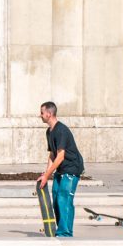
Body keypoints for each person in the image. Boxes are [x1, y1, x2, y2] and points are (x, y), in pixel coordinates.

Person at [36, 100, 82, 238]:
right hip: (61, 170)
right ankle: (62, 229)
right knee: (56, 198)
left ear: (49, 114)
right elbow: (52, 154)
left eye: (42, 112)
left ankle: (65, 232)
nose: (40, 115)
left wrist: (47, 175)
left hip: (72, 168)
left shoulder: (61, 130)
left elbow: (61, 156)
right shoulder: (49, 132)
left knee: (64, 199)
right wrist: (46, 174)